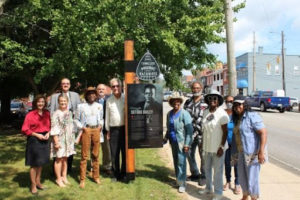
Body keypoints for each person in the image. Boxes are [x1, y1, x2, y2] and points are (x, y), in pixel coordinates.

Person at [231, 95, 267, 200]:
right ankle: (245, 196)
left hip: (252, 154)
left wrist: (261, 152)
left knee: (252, 179)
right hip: (241, 153)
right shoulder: (238, 119)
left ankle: (254, 198)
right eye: (235, 105)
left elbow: (263, 133)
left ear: (245, 105)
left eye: (239, 104)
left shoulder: (252, 116)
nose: (237, 106)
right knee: (242, 177)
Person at [199, 90, 229, 200]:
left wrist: (221, 147)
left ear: (218, 100)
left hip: (218, 148)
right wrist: (202, 143)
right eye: (210, 98)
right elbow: (204, 129)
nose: (212, 100)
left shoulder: (222, 114)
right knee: (206, 169)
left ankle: (218, 193)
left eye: (215, 98)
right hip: (207, 147)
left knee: (218, 171)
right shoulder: (206, 111)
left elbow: (225, 132)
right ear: (207, 100)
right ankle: (208, 188)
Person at [49, 78, 81, 174]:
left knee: (69, 149)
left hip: (71, 126)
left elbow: (78, 110)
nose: (65, 85)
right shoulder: (55, 97)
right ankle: (56, 173)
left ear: (70, 85)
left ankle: (68, 170)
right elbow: (51, 112)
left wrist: (77, 125)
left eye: (67, 83)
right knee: (58, 150)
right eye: (63, 83)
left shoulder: (75, 95)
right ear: (61, 85)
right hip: (59, 127)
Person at [21, 95, 51, 195]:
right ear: (35, 103)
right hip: (34, 139)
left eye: (42, 102)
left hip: (45, 139)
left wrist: (48, 133)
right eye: (39, 102)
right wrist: (37, 135)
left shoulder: (47, 113)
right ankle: (33, 185)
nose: (40, 104)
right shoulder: (30, 114)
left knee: (41, 163)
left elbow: (52, 126)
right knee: (34, 164)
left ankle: (38, 182)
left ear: (44, 103)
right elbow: (25, 129)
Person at [75, 87, 103, 188]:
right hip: (86, 130)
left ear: (96, 95)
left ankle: (96, 176)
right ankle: (82, 179)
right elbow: (76, 120)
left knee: (95, 155)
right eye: (89, 94)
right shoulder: (81, 106)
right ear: (86, 95)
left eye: (93, 94)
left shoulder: (99, 106)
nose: (91, 95)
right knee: (84, 156)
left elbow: (101, 118)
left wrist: (100, 125)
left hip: (96, 130)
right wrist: (82, 127)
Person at [164, 92, 193, 193]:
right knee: (176, 161)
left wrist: (187, 144)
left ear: (180, 102)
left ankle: (182, 184)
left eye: (178, 101)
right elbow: (169, 128)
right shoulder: (169, 114)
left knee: (181, 163)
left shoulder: (185, 114)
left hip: (182, 143)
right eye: (174, 101)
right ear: (171, 102)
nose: (176, 102)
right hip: (173, 142)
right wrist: (166, 138)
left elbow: (189, 131)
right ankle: (178, 180)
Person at [183, 81, 207, 185]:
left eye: (197, 88)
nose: (195, 90)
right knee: (188, 152)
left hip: (202, 133)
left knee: (203, 155)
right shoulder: (188, 102)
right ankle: (195, 173)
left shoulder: (206, 101)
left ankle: (204, 175)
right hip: (189, 133)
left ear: (201, 88)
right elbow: (183, 116)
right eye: (194, 88)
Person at [50, 94, 76, 187]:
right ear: (58, 102)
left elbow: (71, 126)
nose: (63, 103)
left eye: (65, 101)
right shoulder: (56, 113)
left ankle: (64, 177)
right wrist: (56, 142)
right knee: (58, 159)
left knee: (65, 159)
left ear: (67, 102)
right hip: (59, 140)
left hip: (68, 139)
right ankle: (58, 179)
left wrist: (73, 139)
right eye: (61, 101)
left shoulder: (69, 112)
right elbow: (54, 128)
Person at [105, 78, 126, 182]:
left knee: (125, 153)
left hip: (124, 129)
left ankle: (123, 173)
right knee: (114, 153)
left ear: (121, 86)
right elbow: (107, 116)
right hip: (113, 130)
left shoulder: (126, 98)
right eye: (113, 86)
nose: (116, 88)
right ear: (111, 88)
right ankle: (115, 174)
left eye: (117, 86)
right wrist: (107, 130)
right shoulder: (109, 100)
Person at [223, 95, 241, 194]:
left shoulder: (237, 113)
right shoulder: (223, 113)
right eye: (227, 101)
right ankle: (228, 181)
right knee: (227, 163)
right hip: (225, 143)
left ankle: (237, 183)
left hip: (236, 143)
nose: (229, 102)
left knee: (236, 163)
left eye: (231, 101)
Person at [96, 83, 112, 175]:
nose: (101, 91)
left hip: (106, 128)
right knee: (94, 149)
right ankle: (94, 167)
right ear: (97, 91)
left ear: (106, 91)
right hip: (95, 129)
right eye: (99, 89)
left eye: (102, 89)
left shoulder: (109, 100)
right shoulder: (93, 100)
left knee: (107, 149)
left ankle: (107, 166)